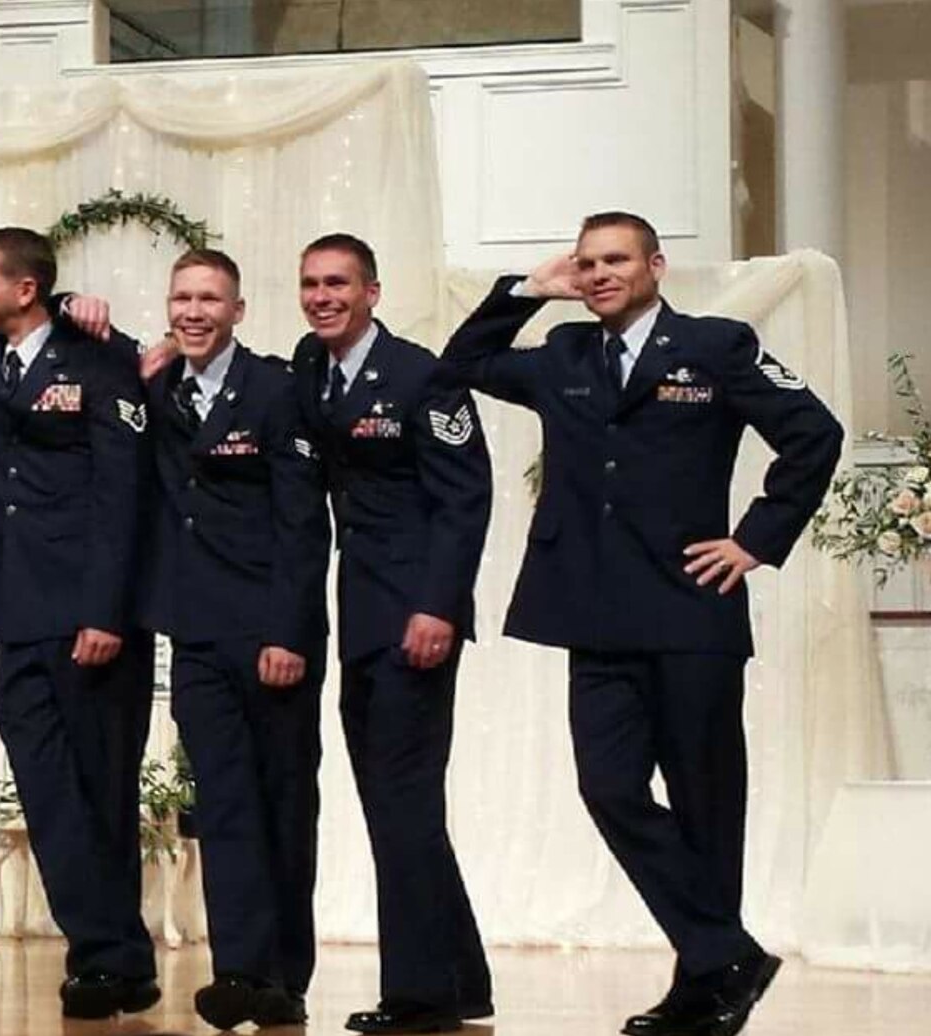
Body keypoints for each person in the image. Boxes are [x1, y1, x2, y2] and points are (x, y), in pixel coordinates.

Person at [442, 212, 843, 1036]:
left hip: (691, 607)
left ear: (655, 264)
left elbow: (814, 433)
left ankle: (705, 984)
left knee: (706, 805)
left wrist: (756, 541)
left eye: (615, 260)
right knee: (610, 787)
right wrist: (528, 291)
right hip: (592, 612)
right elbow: (464, 364)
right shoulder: (564, 355)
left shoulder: (718, 345)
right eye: (586, 263)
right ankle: (726, 952)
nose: (598, 274)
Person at [0, 227, 159, 1020]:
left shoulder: (99, 361)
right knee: (48, 789)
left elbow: (125, 496)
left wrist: (106, 611)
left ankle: (117, 960)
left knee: (102, 787)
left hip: (91, 613)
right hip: (16, 610)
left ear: (27, 290)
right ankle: (105, 949)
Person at [112, 249, 333, 1030]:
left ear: (238, 310)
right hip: (198, 633)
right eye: (182, 298)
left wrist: (290, 632)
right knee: (224, 807)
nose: (194, 312)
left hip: (272, 633)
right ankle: (240, 970)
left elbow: (305, 524)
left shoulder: (276, 389)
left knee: (282, 804)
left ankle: (286, 976)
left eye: (210, 299)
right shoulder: (158, 389)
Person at [294, 234, 494, 1034]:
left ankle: (419, 995)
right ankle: (463, 979)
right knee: (394, 806)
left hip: (415, 617)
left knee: (405, 802)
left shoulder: (421, 376)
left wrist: (440, 606)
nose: (321, 296)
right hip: (360, 615)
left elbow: (464, 500)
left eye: (337, 283)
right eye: (309, 284)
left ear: (373, 290)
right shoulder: (309, 370)